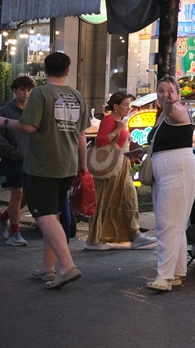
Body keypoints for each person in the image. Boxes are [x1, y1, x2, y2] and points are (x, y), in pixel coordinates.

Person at [16, 52, 89, 288]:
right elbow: (81, 134)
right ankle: (48, 269)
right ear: (67, 70)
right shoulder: (77, 96)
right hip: (68, 164)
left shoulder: (40, 93)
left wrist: (4, 122)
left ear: (45, 70)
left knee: (44, 216)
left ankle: (67, 266)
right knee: (53, 215)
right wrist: (83, 165)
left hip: (43, 164)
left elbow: (29, 126)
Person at [84, 92, 157, 251]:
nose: (128, 108)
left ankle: (133, 234)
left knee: (127, 199)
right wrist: (117, 129)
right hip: (111, 168)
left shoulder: (120, 121)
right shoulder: (109, 120)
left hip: (122, 166)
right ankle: (99, 238)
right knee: (108, 201)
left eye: (129, 105)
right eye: (125, 105)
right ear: (115, 106)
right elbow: (101, 141)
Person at [147, 76, 195, 292]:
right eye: (161, 90)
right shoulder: (162, 114)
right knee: (174, 224)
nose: (165, 95)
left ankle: (164, 276)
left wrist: (169, 102)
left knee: (168, 225)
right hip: (166, 170)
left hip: (178, 169)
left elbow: (170, 108)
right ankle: (176, 273)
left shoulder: (177, 110)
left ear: (178, 94)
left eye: (171, 90)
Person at [0, 75, 35, 246]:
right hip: (13, 159)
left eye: (29, 90)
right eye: (22, 90)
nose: (26, 93)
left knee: (27, 195)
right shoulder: (5, 111)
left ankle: (3, 218)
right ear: (15, 91)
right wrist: (13, 152)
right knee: (17, 193)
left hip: (32, 160)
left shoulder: (34, 110)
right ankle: (15, 232)